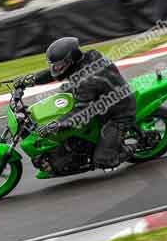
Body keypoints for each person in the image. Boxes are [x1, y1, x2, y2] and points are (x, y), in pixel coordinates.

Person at [15, 37, 137, 169]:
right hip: (100, 98)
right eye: (53, 65)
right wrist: (31, 80)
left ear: (71, 59)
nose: (55, 68)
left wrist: (56, 124)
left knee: (103, 160)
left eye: (59, 65)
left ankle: (129, 149)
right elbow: (55, 74)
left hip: (117, 112)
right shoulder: (88, 55)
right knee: (62, 92)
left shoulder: (87, 81)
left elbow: (81, 114)